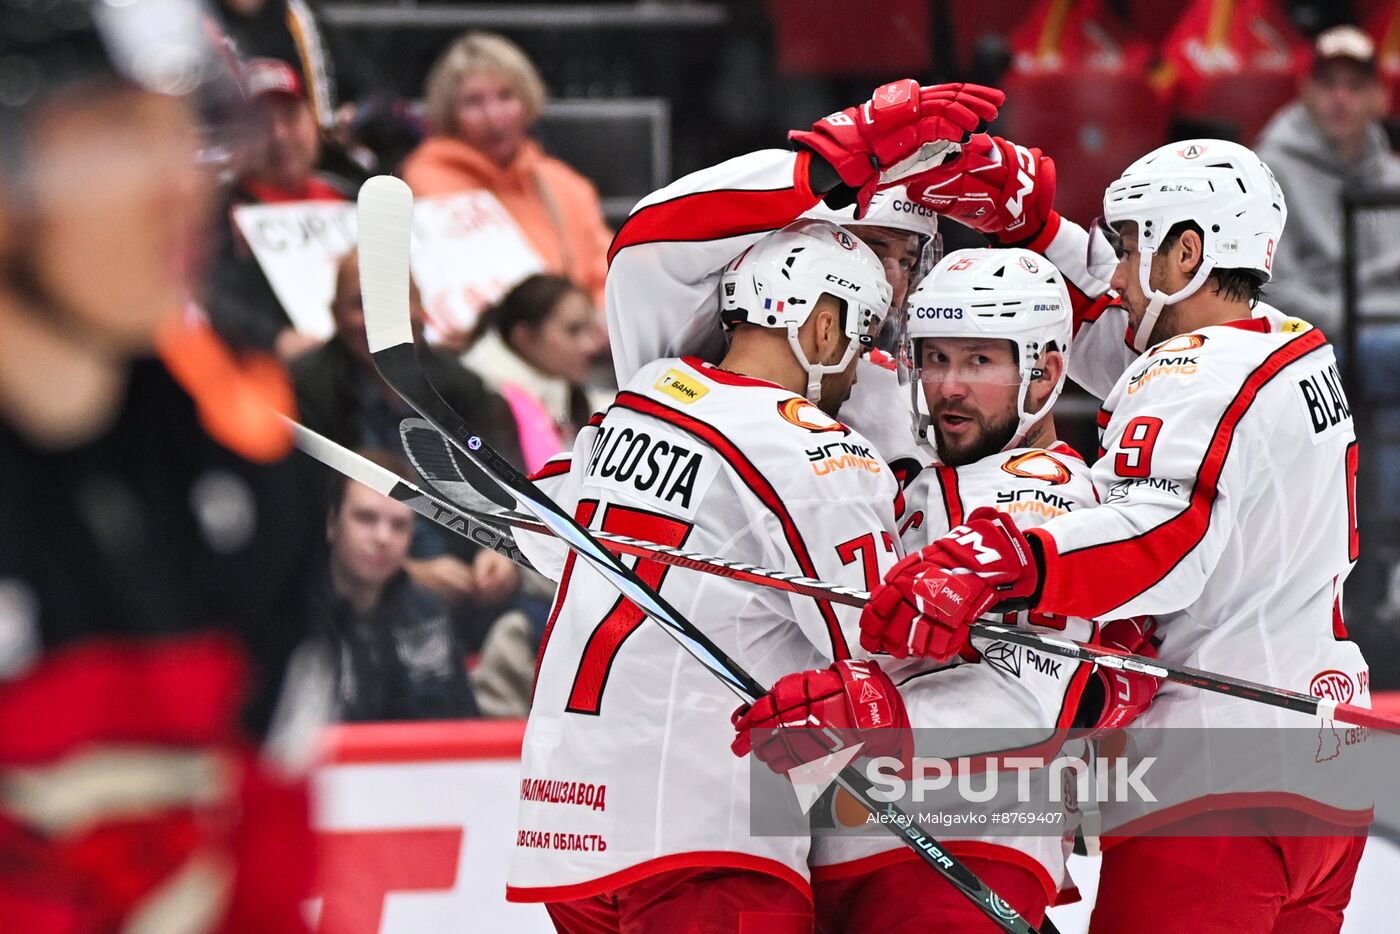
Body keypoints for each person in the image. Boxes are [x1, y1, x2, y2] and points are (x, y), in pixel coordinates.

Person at [506, 81, 1004, 932]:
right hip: (720, 815)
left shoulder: (653, 393)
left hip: (582, 817)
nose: (890, 280)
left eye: (907, 258)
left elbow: (553, 529)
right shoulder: (769, 395)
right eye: (871, 248)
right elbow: (653, 239)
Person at [865, 136, 1373, 932]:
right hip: (1326, 773)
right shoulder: (1287, 343)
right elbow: (1127, 350)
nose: (1120, 276)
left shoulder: (1195, 376)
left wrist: (1004, 557)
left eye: (1134, 248)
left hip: (1216, 786)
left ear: (1190, 252)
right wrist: (1037, 228)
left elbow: (1161, 537)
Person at [0, 1, 327, 929]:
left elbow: (259, 863)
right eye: (113, 133)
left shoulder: (241, 447)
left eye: (182, 131)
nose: (177, 186)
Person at [732, 248, 1161, 931]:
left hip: (963, 846)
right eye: (934, 359)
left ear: (1046, 371)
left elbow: (1035, 699)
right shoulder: (921, 477)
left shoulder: (1045, 501)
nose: (948, 386)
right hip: (855, 844)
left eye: (979, 361)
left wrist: (879, 720)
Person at [291, 247, 529, 649]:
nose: (381, 319)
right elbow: (300, 520)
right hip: (351, 593)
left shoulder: (465, 388)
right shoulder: (303, 388)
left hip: (469, 586)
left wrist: (502, 552)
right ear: (334, 315)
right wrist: (404, 571)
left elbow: (509, 492)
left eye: (395, 302)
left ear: (422, 310)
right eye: (359, 305)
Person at [401, 32, 612, 311]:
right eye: (473, 102)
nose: (493, 116)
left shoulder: (565, 183)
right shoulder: (428, 179)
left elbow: (608, 275)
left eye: (506, 96)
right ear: (449, 113)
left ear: (528, 101)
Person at [1255, 24, 1400, 338]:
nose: (1340, 97)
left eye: (1355, 86)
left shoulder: (1393, 175)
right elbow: (1269, 284)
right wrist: (1340, 323)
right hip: (1325, 334)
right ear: (1305, 90)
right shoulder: (1270, 172)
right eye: (1328, 84)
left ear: (1380, 98)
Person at [315, 451, 479, 721]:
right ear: (332, 523)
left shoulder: (430, 616)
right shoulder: (295, 618)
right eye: (366, 518)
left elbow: (465, 726)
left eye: (399, 525)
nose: (383, 538)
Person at [204, 57, 347, 360]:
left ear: (312, 119)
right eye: (262, 123)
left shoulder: (352, 194)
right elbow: (213, 297)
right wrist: (275, 339)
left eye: (290, 117)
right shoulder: (218, 217)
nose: (279, 136)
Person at [463, 274, 608, 474]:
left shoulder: (568, 392)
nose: (591, 345)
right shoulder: (485, 404)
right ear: (523, 336)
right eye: (573, 331)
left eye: (590, 329)